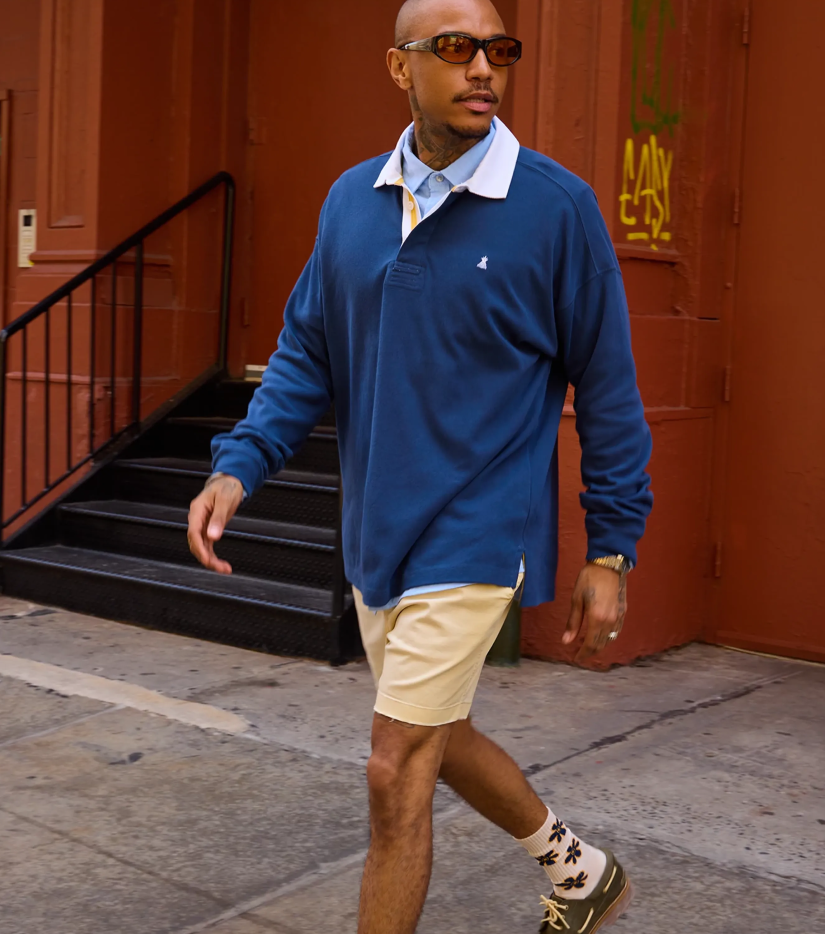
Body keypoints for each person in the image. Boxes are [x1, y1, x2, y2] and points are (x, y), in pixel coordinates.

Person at [187, 0, 652, 930]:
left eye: (497, 50)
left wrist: (613, 548)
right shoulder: (350, 202)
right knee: (438, 733)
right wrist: (239, 465)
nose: (482, 68)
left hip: (483, 525)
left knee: (394, 770)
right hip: (379, 530)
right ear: (400, 69)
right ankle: (581, 872)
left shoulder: (555, 208)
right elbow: (306, 351)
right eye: (454, 49)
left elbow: (607, 385)